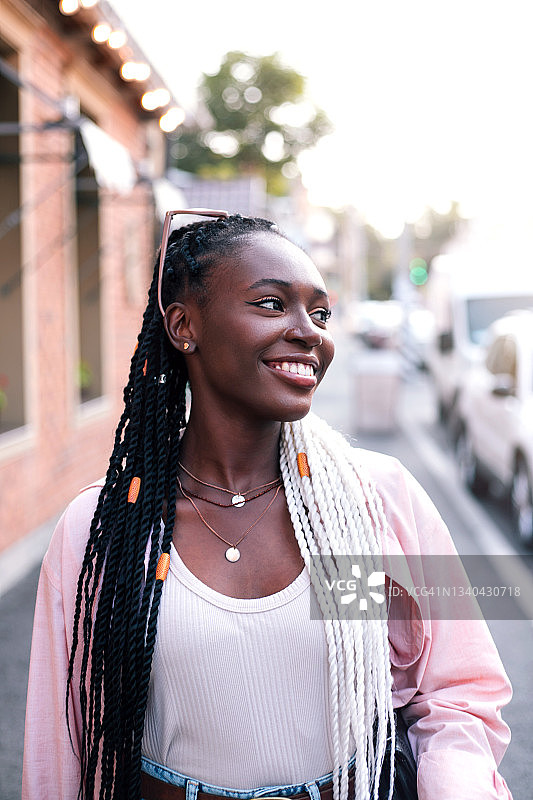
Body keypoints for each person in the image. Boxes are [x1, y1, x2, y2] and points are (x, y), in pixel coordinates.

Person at [22, 211, 513, 800]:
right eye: (272, 304)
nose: (311, 332)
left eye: (321, 312)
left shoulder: (368, 502)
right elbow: (63, 741)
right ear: (184, 326)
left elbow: (457, 690)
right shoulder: (108, 529)